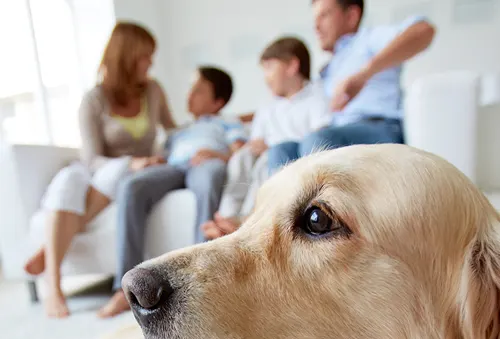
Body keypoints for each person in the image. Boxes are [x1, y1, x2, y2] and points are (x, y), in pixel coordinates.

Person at [24, 22, 176, 318]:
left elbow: (172, 130)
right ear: (127, 56)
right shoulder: (94, 100)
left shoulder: (153, 91)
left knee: (121, 173)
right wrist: (132, 161)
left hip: (131, 173)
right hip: (100, 169)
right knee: (67, 180)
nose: (151, 63)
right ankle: (53, 288)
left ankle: (49, 250)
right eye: (145, 56)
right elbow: (92, 158)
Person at [98, 66, 246, 318]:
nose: (190, 95)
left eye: (198, 90)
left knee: (212, 176)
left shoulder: (228, 122)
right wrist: (155, 161)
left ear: (217, 101)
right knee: (132, 186)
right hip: (174, 166)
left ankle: (200, 279)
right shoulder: (179, 132)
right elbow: (165, 155)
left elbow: (241, 150)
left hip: (205, 163)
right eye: (191, 88)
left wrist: (218, 155)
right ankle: (123, 290)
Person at [267, 0, 436, 173]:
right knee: (281, 150)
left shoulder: (367, 40)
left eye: (324, 15)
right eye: (315, 19)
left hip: (379, 129)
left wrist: (364, 75)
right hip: (335, 134)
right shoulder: (329, 68)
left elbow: (423, 30)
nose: (316, 26)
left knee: (318, 141)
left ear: (351, 16)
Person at [202, 36, 330, 240]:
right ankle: (227, 215)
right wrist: (253, 146)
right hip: (263, 152)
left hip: (285, 156)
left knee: (265, 162)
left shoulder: (317, 96)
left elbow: (319, 137)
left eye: (269, 67)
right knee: (242, 158)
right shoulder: (268, 106)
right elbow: (256, 139)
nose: (265, 77)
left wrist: (268, 146)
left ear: (292, 66)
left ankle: (247, 218)